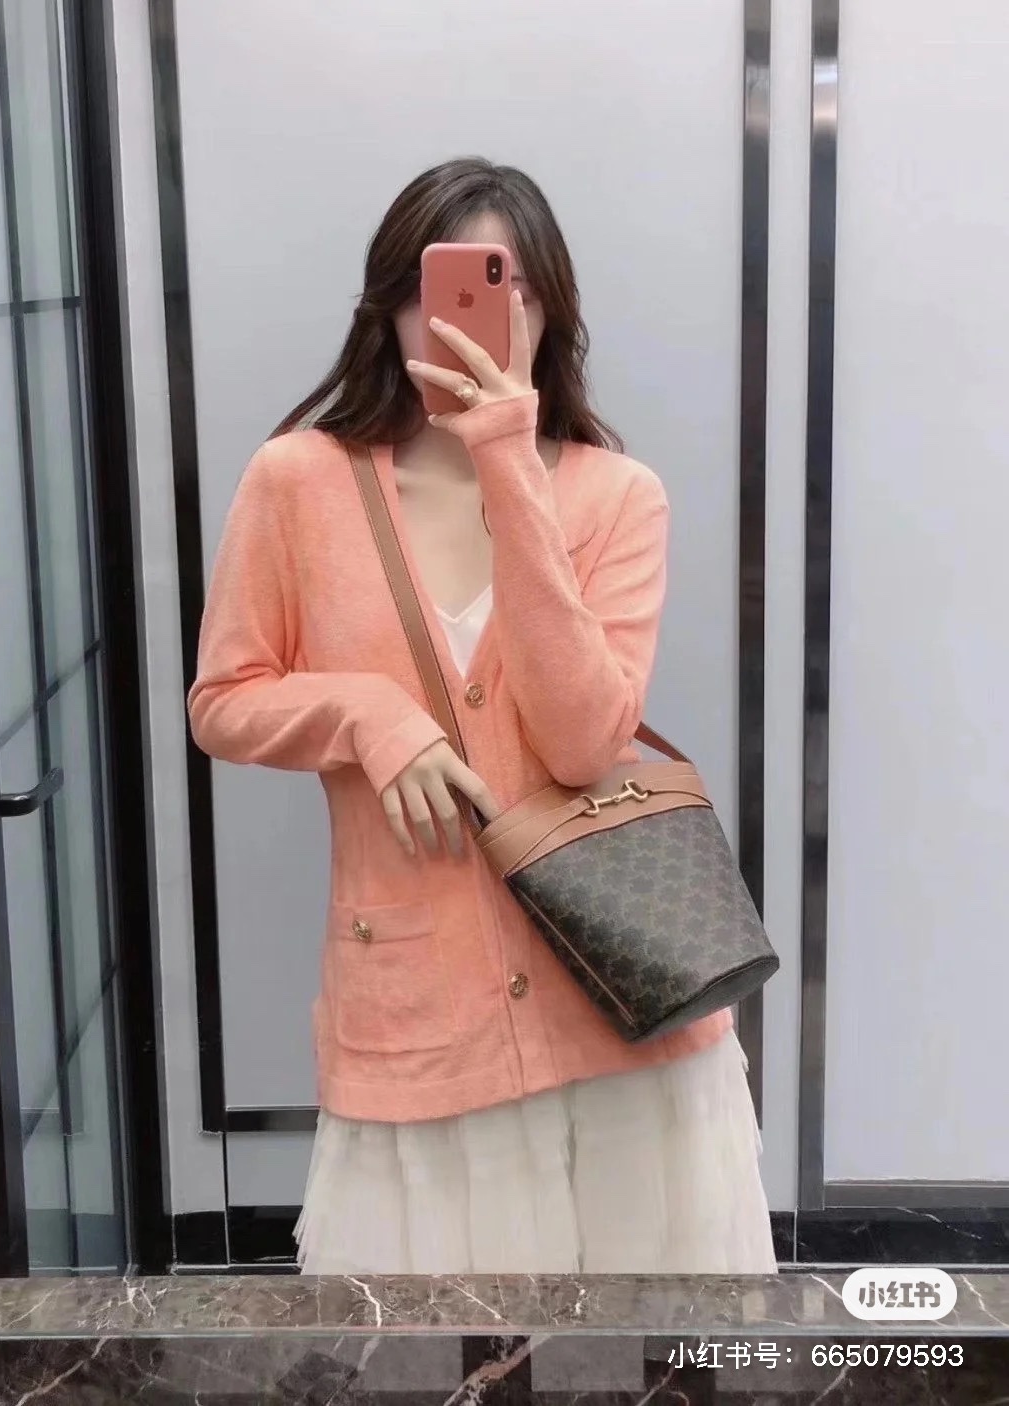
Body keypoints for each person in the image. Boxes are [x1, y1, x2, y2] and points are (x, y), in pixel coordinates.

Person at [188, 157, 776, 1275]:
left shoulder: (617, 495)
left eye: (510, 288)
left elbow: (584, 741)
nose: (467, 318)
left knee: (642, 1350)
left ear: (549, 311)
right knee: (436, 1345)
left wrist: (509, 459)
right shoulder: (296, 482)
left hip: (623, 1019)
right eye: (440, 286)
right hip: (422, 1023)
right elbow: (223, 700)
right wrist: (365, 710)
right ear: (389, 305)